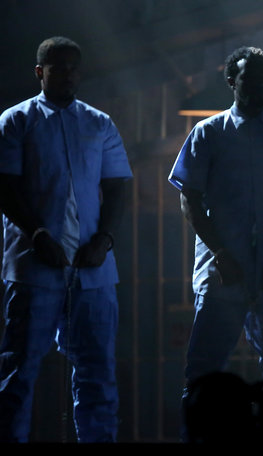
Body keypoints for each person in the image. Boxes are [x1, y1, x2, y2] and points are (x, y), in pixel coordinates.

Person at [168, 46, 263, 438]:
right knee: (204, 374)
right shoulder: (207, 133)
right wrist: (220, 253)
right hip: (225, 273)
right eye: (251, 80)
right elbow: (188, 198)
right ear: (230, 82)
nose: (260, 88)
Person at [0, 36, 133, 442]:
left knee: (98, 376)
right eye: (59, 68)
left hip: (92, 271)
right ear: (40, 72)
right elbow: (4, 186)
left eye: (74, 67)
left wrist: (104, 239)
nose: (69, 74)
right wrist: (38, 234)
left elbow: (118, 186)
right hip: (34, 267)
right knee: (18, 374)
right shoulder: (16, 121)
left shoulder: (99, 122)